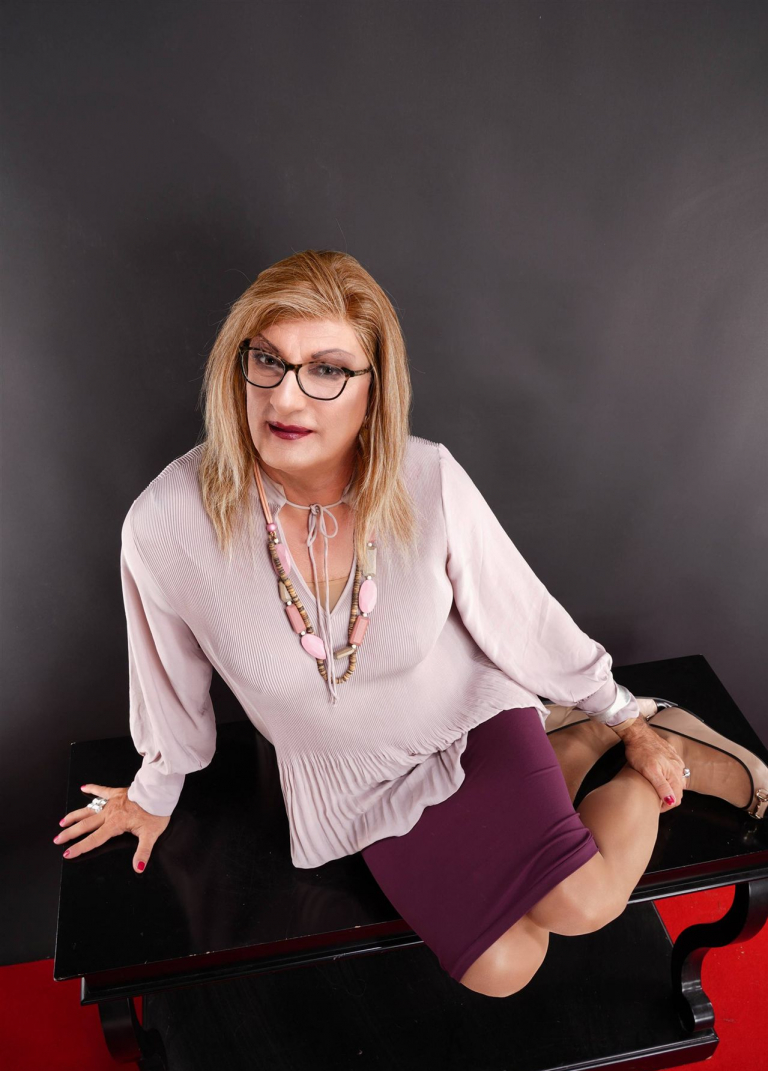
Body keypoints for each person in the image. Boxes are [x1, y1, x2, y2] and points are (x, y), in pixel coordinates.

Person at [53, 249, 768, 998]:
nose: (287, 397)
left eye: (327, 370)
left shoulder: (425, 478)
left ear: (375, 388)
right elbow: (167, 679)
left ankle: (652, 744)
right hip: (352, 787)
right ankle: (578, 737)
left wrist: (622, 714)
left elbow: (519, 613)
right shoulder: (167, 523)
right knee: (504, 970)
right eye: (267, 360)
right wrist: (153, 791)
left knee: (582, 903)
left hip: (468, 723)